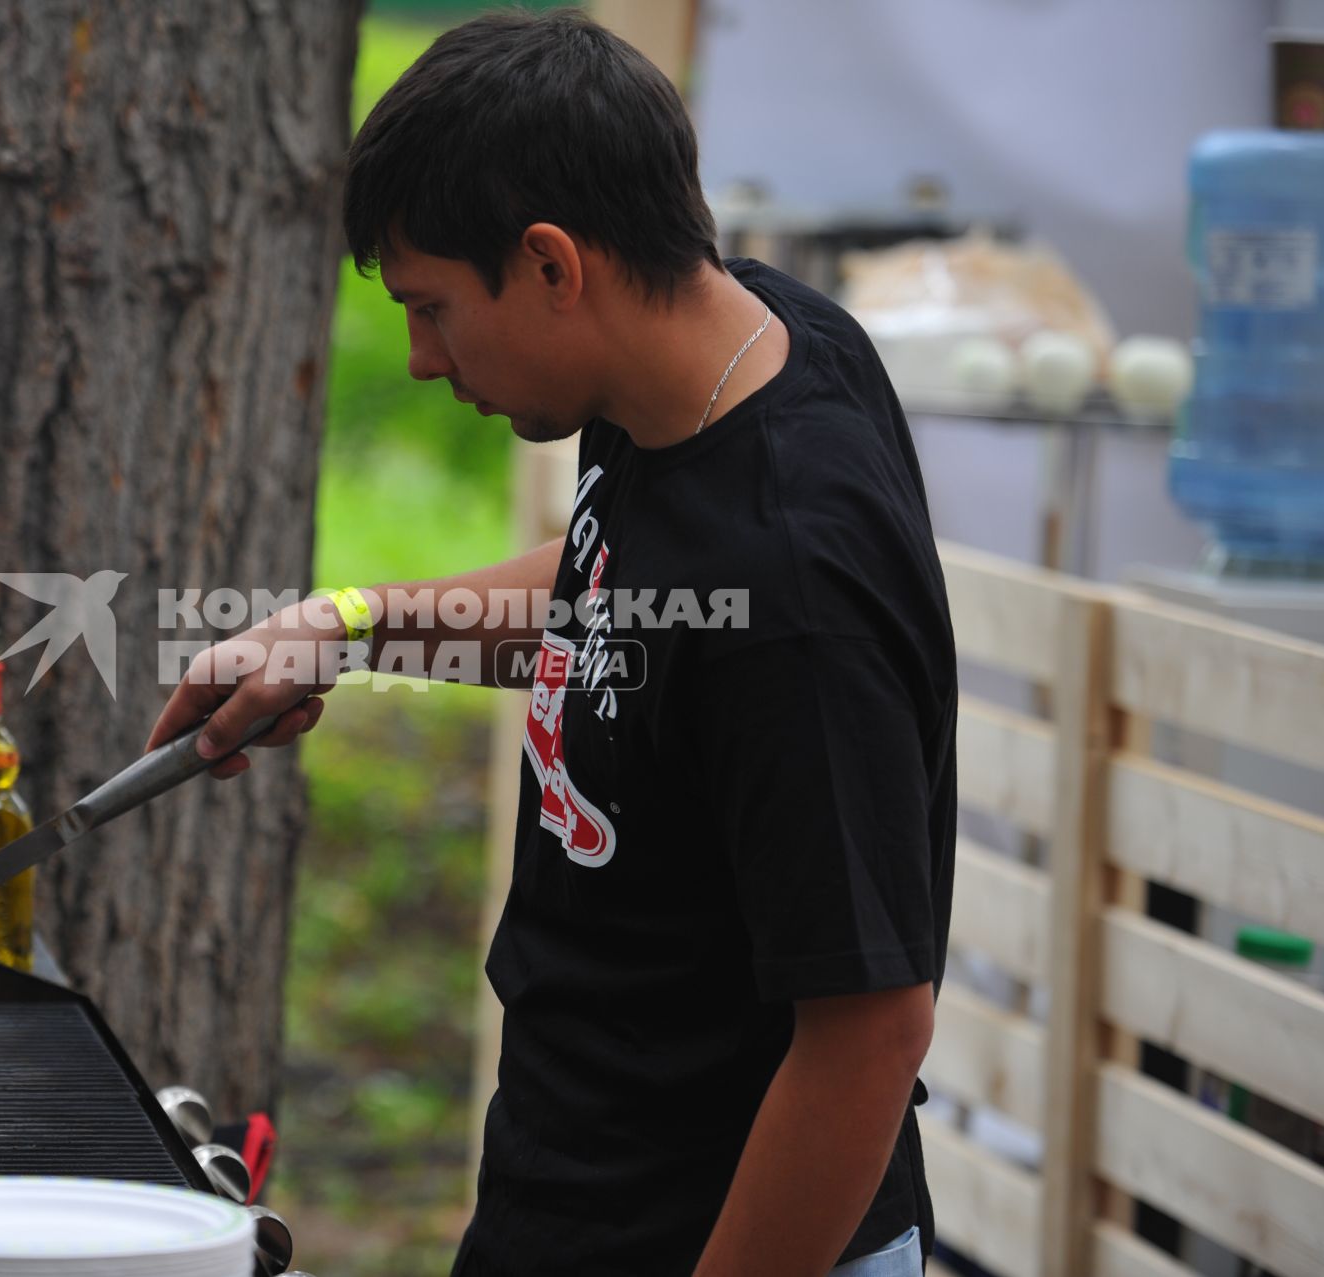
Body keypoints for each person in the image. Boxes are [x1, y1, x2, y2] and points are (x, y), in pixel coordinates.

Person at [145, 10, 955, 1276]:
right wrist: (351, 624)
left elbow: (868, 1035)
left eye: (432, 307)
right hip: (575, 1189)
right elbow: (619, 593)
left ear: (550, 265)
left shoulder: (797, 584)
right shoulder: (694, 365)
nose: (417, 359)